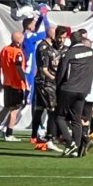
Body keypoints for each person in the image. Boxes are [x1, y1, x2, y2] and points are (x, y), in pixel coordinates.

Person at [55, 30, 93, 158]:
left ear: (71, 41)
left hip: (69, 89)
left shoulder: (69, 53)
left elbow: (61, 73)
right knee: (77, 120)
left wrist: (58, 88)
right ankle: (76, 149)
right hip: (84, 91)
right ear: (82, 40)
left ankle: (70, 144)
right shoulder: (92, 53)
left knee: (60, 117)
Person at [31, 25, 67, 153]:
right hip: (45, 82)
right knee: (51, 109)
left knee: (41, 109)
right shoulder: (44, 47)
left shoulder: (60, 49)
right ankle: (49, 138)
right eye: (58, 36)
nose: (61, 39)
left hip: (50, 82)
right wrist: (54, 79)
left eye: (63, 37)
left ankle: (37, 136)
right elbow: (43, 69)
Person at [0, 31, 27, 141]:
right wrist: (25, 81)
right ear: (19, 41)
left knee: (6, 108)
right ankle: (9, 133)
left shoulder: (5, 50)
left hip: (7, 83)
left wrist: (0, 81)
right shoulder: (18, 52)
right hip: (16, 84)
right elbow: (19, 67)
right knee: (14, 109)